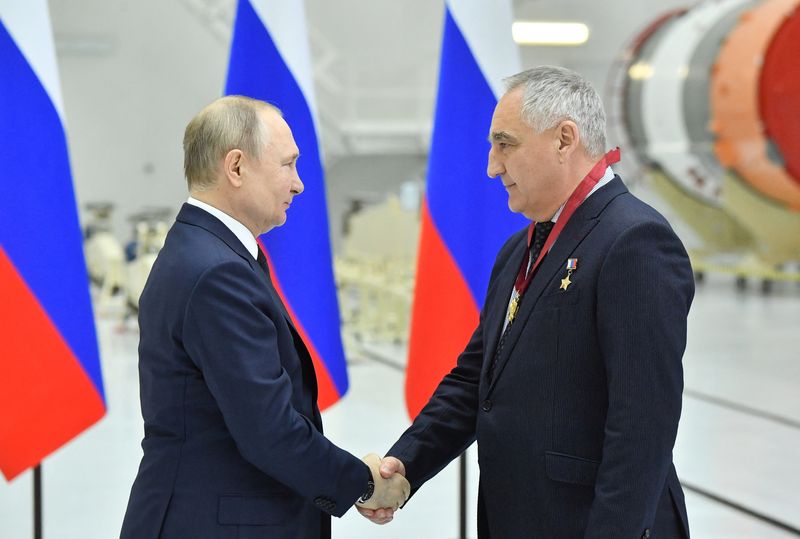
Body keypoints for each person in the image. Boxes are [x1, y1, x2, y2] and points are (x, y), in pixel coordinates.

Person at [359, 66, 694, 538]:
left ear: (564, 139)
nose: (492, 166)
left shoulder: (634, 242)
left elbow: (642, 426)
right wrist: (406, 464)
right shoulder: (519, 248)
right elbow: (477, 378)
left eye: (505, 144)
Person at [120, 96, 408, 539]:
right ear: (236, 168)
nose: (299, 185)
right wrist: (363, 483)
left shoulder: (210, 252)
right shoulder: (217, 271)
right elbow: (269, 431)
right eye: (288, 165)